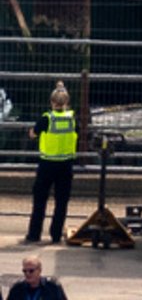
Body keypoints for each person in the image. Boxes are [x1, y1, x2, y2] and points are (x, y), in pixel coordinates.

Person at [25, 84, 77, 244]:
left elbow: (33, 134)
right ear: (67, 102)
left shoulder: (47, 118)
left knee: (40, 201)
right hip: (66, 165)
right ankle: (55, 235)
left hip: (47, 164)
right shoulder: (71, 118)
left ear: (51, 102)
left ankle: (34, 235)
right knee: (61, 202)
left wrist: (31, 132)